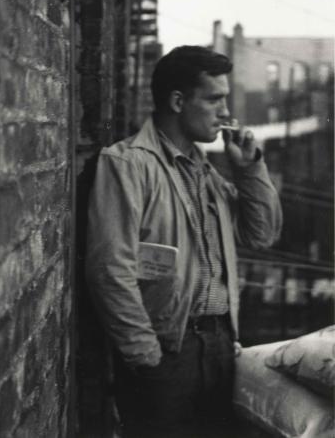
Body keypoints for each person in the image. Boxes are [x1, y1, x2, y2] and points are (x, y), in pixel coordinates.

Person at [85, 46, 282, 438]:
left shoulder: (204, 172)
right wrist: (147, 357)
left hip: (221, 348)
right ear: (178, 101)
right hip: (168, 353)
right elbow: (110, 269)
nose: (226, 112)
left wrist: (249, 169)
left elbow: (260, 234)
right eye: (214, 99)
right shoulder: (128, 164)